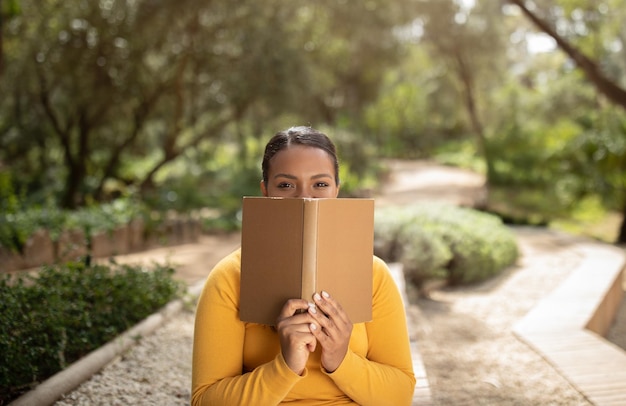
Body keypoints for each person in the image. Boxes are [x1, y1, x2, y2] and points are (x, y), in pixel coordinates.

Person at [191, 126, 416, 405]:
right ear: (265, 191)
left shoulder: (374, 274)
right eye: (286, 185)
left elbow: (400, 394)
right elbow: (204, 400)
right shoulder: (230, 277)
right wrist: (284, 366)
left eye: (320, 184)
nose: (304, 198)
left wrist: (340, 359)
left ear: (336, 189)